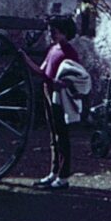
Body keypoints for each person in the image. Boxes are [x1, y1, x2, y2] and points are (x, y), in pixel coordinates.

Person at [21, 15, 82, 189]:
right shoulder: (53, 49)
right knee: (53, 137)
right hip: (48, 93)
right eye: (51, 31)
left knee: (62, 136)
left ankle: (63, 177)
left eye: (55, 31)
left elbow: (76, 77)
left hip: (60, 97)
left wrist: (62, 84)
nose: (52, 34)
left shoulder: (69, 52)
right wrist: (25, 58)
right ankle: (53, 173)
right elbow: (42, 71)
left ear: (65, 32)